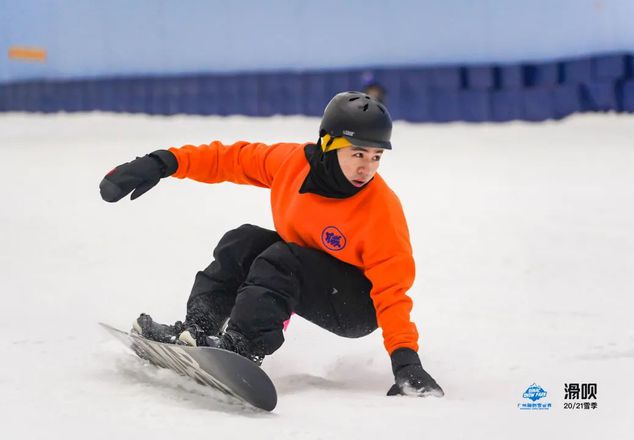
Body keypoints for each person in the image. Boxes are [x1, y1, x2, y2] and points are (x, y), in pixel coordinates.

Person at [99, 91, 444, 397]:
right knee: (244, 241)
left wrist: (405, 362)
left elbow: (392, 291)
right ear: (328, 143)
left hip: (355, 305)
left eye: (376, 157)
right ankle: (198, 328)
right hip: (305, 268)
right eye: (357, 153)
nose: (367, 167)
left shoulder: (380, 209)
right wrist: (163, 162)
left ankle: (242, 347)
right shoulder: (292, 164)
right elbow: (229, 159)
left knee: (282, 258)